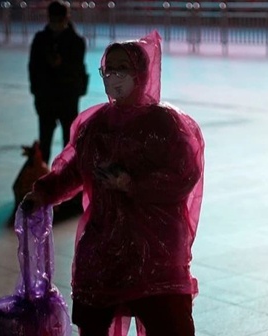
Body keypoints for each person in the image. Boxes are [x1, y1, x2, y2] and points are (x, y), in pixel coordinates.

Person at [24, 31, 205, 336]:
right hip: (103, 250)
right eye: (110, 69)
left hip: (156, 251)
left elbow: (184, 175)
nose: (115, 76)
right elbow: (73, 172)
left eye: (124, 68)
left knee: (168, 323)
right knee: (94, 323)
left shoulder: (166, 124)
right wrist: (42, 194)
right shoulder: (96, 125)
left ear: (142, 73)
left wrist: (133, 184)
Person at [28, 0, 88, 164]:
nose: (56, 23)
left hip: (66, 97)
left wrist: (62, 65)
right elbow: (33, 68)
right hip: (47, 97)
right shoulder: (41, 40)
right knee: (45, 142)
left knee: (69, 142)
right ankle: (45, 179)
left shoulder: (76, 41)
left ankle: (67, 181)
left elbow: (76, 68)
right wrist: (37, 93)